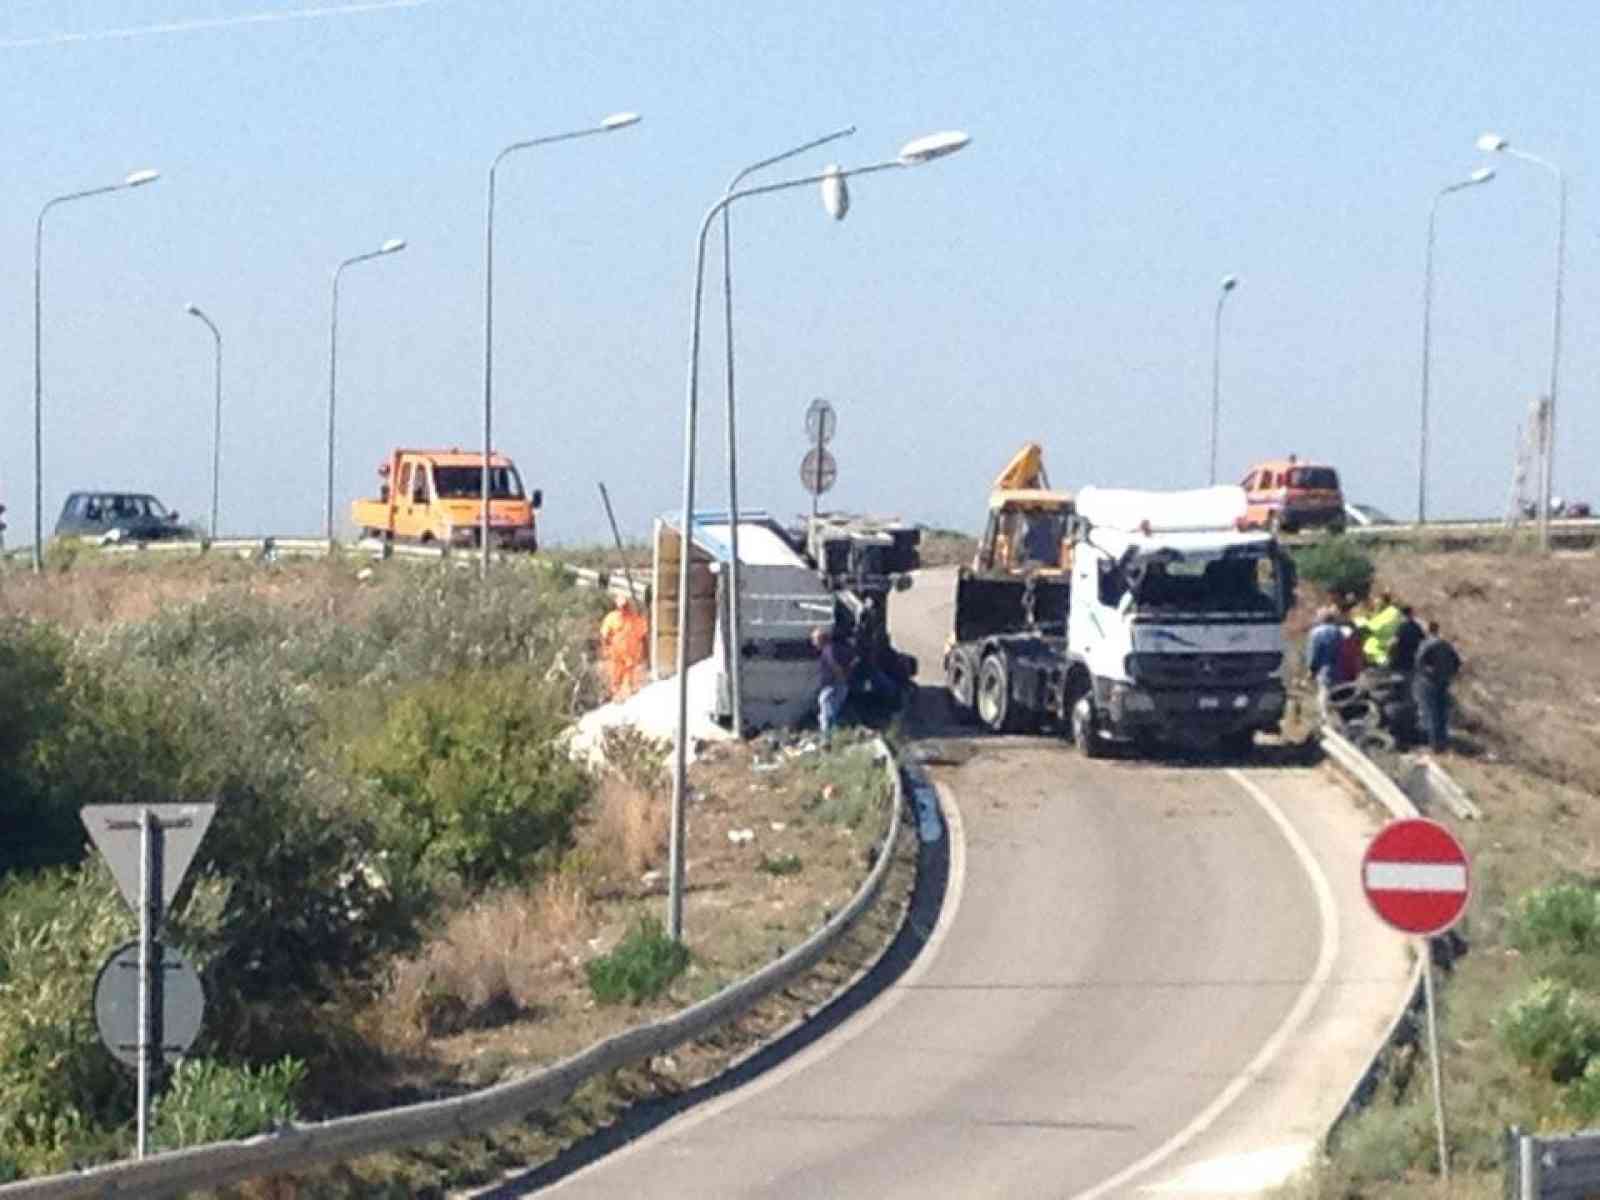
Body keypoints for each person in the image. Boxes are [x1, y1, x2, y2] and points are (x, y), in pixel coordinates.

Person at [1412, 621, 1462, 752]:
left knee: (1430, 712)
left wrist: (1425, 673)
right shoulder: (1446, 645)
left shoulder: (1426, 644)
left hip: (1429, 682)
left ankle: (1435, 746)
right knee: (1441, 713)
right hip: (1444, 682)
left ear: (1428, 630)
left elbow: (1419, 661)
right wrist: (1450, 674)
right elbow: (1457, 662)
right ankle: (1443, 742)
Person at [598, 593, 648, 700]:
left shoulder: (635, 619)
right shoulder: (611, 618)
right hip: (616, 653)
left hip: (631, 654)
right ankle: (616, 694)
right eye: (621, 606)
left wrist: (645, 653)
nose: (623, 608)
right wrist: (605, 649)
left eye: (625, 606)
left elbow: (643, 635)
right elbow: (604, 635)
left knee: (630, 674)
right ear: (617, 607)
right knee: (615, 674)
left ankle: (629, 693)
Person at [812, 626, 855, 745]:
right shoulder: (835, 648)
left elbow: (835, 667)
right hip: (838, 686)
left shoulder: (829, 650)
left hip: (833, 687)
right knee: (830, 713)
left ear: (821, 640)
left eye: (815, 640)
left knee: (827, 714)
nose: (813, 643)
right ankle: (835, 737)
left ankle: (827, 740)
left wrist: (840, 679)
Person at [1304, 605, 1342, 717]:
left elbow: (1314, 654)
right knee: (1337, 695)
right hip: (1339, 668)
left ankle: (1325, 720)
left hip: (1324, 669)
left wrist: (1311, 670)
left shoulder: (1316, 632)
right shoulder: (1338, 631)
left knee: (1323, 694)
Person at [1362, 591, 1404, 666]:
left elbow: (1372, 625)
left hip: (1380, 645)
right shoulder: (1393, 612)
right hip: (1386, 643)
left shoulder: (1387, 612)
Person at [1387, 605, 1425, 674]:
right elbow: (1422, 642)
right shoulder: (1417, 627)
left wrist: (1389, 651)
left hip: (1398, 660)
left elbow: (1392, 642)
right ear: (1411, 614)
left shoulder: (1402, 627)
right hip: (1410, 662)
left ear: (1402, 615)